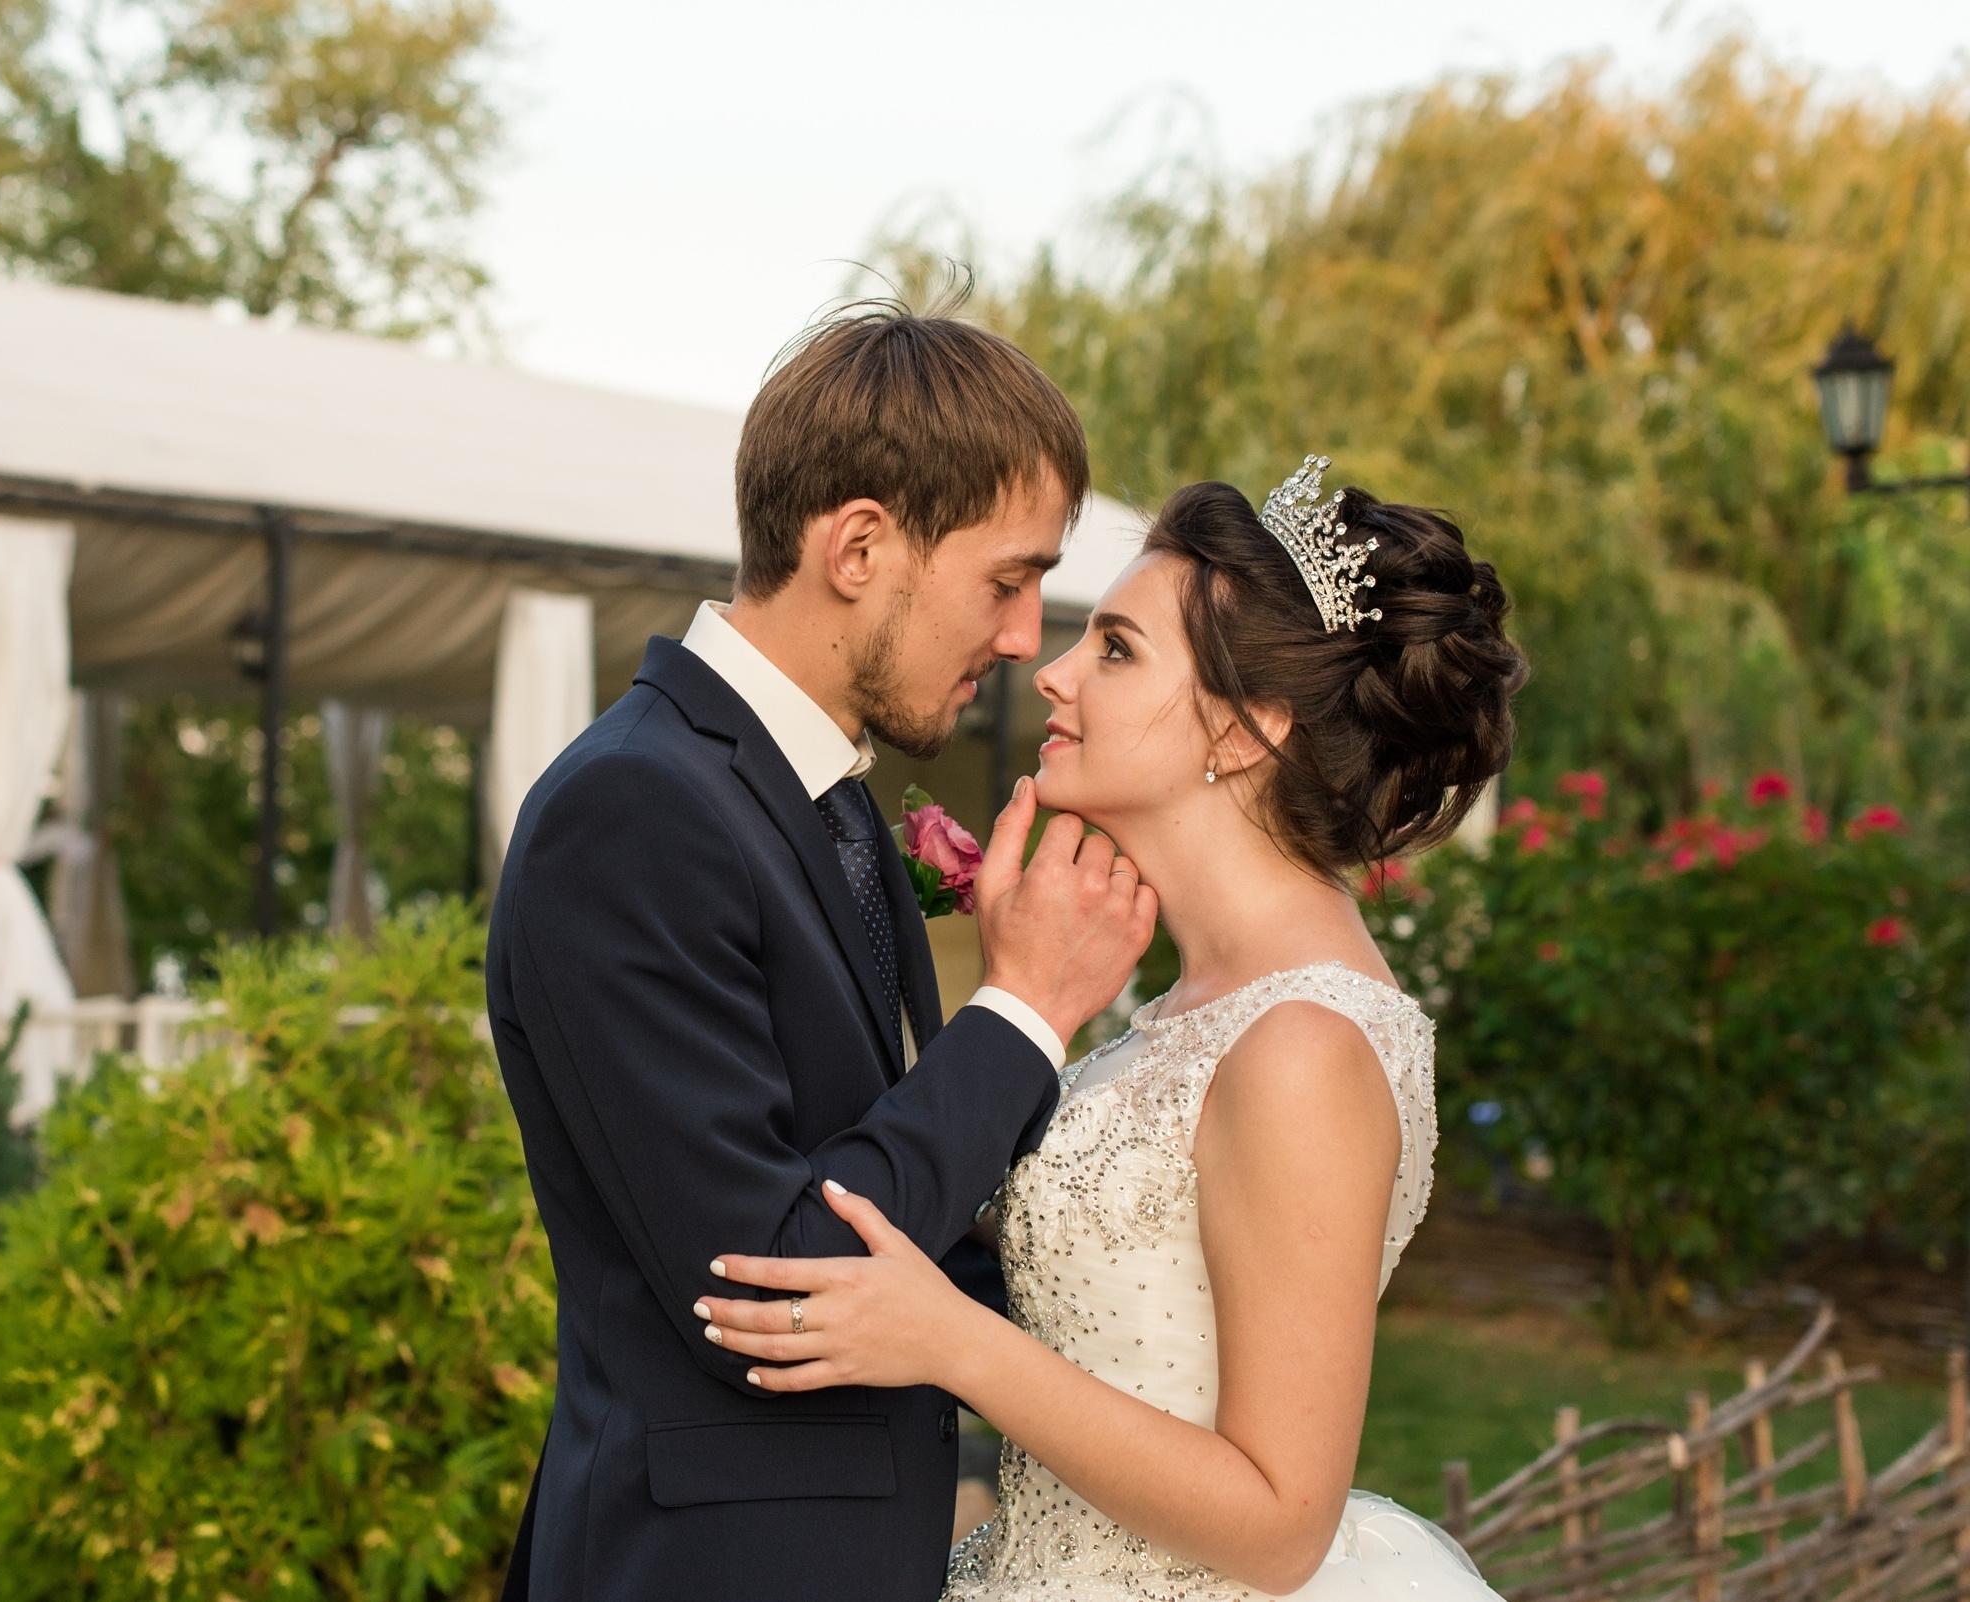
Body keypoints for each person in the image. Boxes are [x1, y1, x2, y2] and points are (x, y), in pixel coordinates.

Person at [696, 458, 1530, 1602]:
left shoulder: (1303, 1045)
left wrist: (950, 1342)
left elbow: (1282, 1522)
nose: (1052, 672)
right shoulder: (1183, 1007)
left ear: (1245, 733)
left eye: (1118, 649)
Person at [485, 303, 1160, 1602]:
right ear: (859, 545)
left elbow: (881, 1194)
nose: (1025, 637)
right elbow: (775, 1278)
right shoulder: (630, 812)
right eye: (1007, 580)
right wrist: (1023, 1011)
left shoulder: (830, 803)